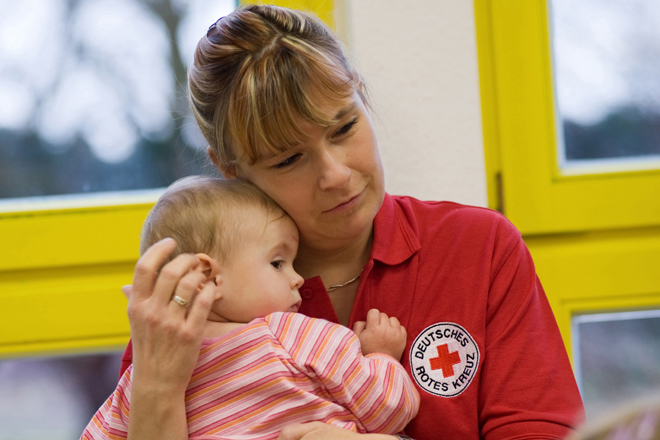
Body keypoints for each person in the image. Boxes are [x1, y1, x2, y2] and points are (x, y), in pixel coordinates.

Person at [119, 4, 585, 440]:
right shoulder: (192, 301)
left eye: (344, 128)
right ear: (231, 169)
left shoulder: (477, 249)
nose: (336, 175)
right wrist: (157, 390)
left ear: (360, 94)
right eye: (288, 160)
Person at [81, 176, 420, 439]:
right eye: (278, 262)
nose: (298, 278)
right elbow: (387, 409)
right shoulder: (292, 335)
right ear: (208, 277)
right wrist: (382, 356)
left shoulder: (141, 376)